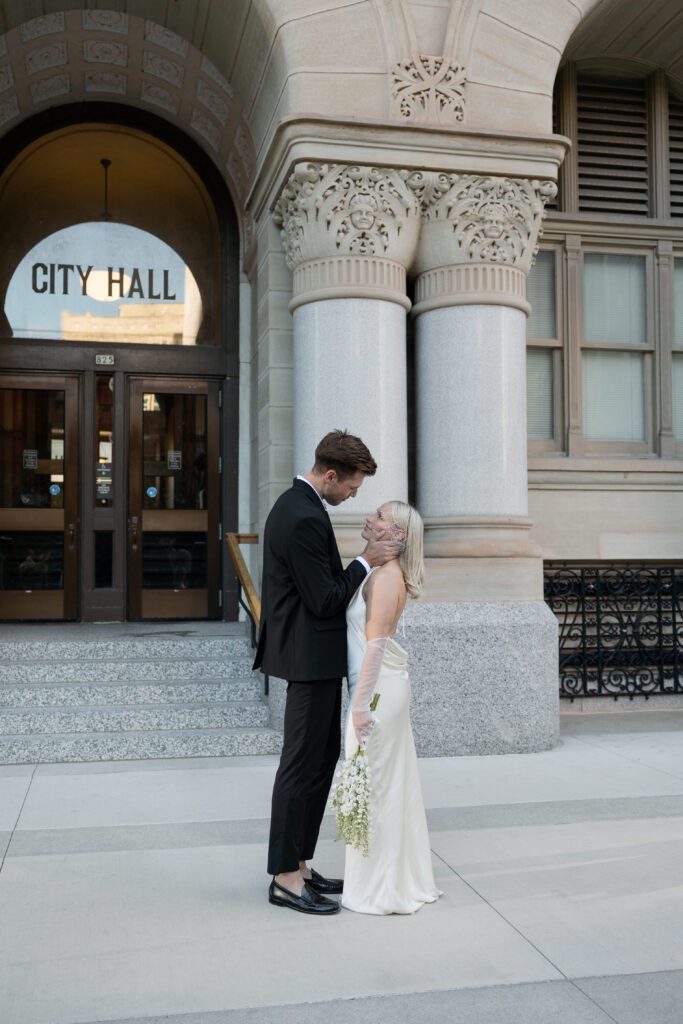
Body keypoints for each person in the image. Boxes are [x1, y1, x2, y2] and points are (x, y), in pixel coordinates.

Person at [254, 430, 401, 916]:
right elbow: (324, 599)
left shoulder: (305, 507)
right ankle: (284, 878)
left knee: (319, 765)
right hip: (306, 658)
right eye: (353, 487)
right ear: (331, 475)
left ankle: (301, 862)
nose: (354, 496)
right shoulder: (299, 516)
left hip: (313, 657)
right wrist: (365, 561)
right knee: (300, 767)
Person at [342, 500, 443, 914]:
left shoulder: (386, 578)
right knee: (383, 787)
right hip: (382, 688)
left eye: (380, 517)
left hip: (378, 691)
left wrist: (361, 707)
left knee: (376, 789)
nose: (370, 519)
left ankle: (379, 890)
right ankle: (388, 879)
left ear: (397, 535)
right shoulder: (380, 572)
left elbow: (377, 645)